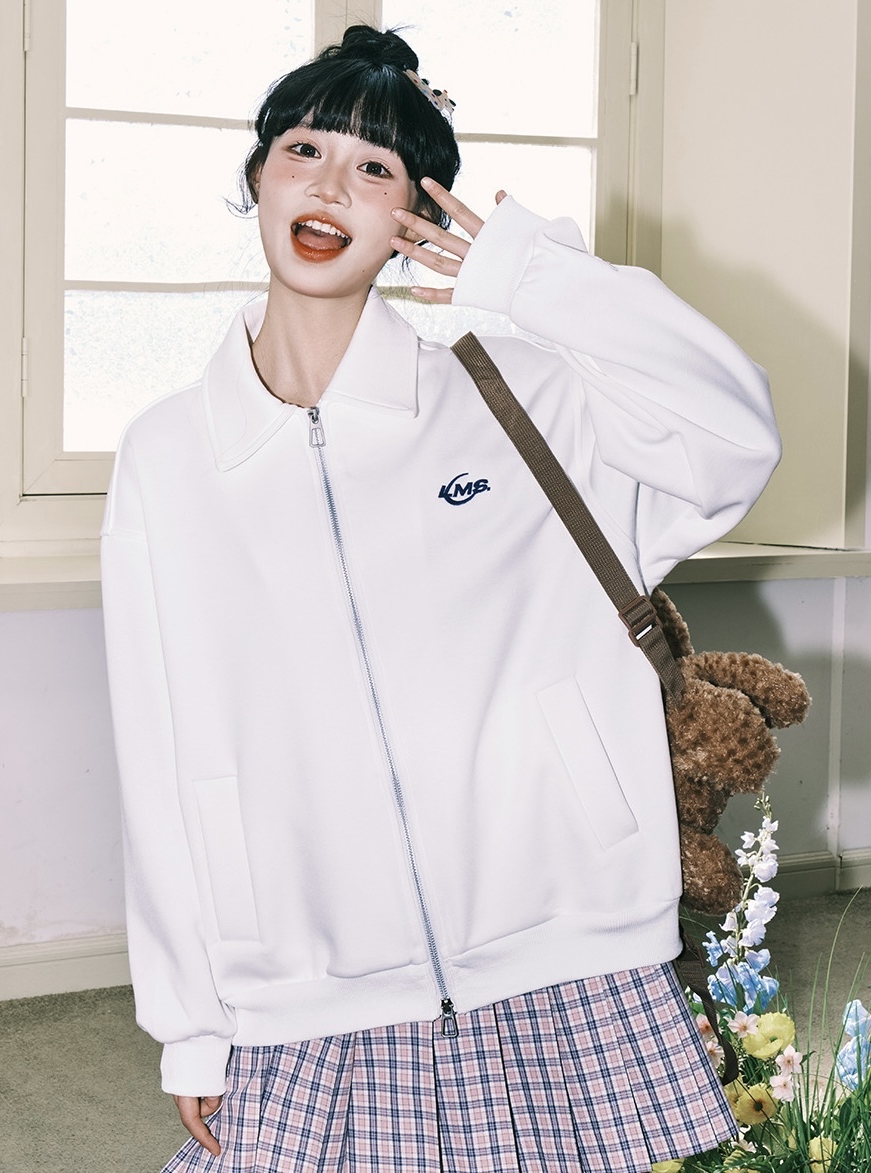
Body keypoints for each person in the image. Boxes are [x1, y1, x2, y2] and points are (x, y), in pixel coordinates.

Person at [101, 24, 781, 1173]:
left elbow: (733, 434)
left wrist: (537, 280)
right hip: (307, 977)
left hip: (562, 955)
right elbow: (158, 754)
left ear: (414, 216)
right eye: (303, 150)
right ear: (257, 177)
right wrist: (190, 1022)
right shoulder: (169, 457)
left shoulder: (513, 400)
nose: (328, 186)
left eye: (372, 167)